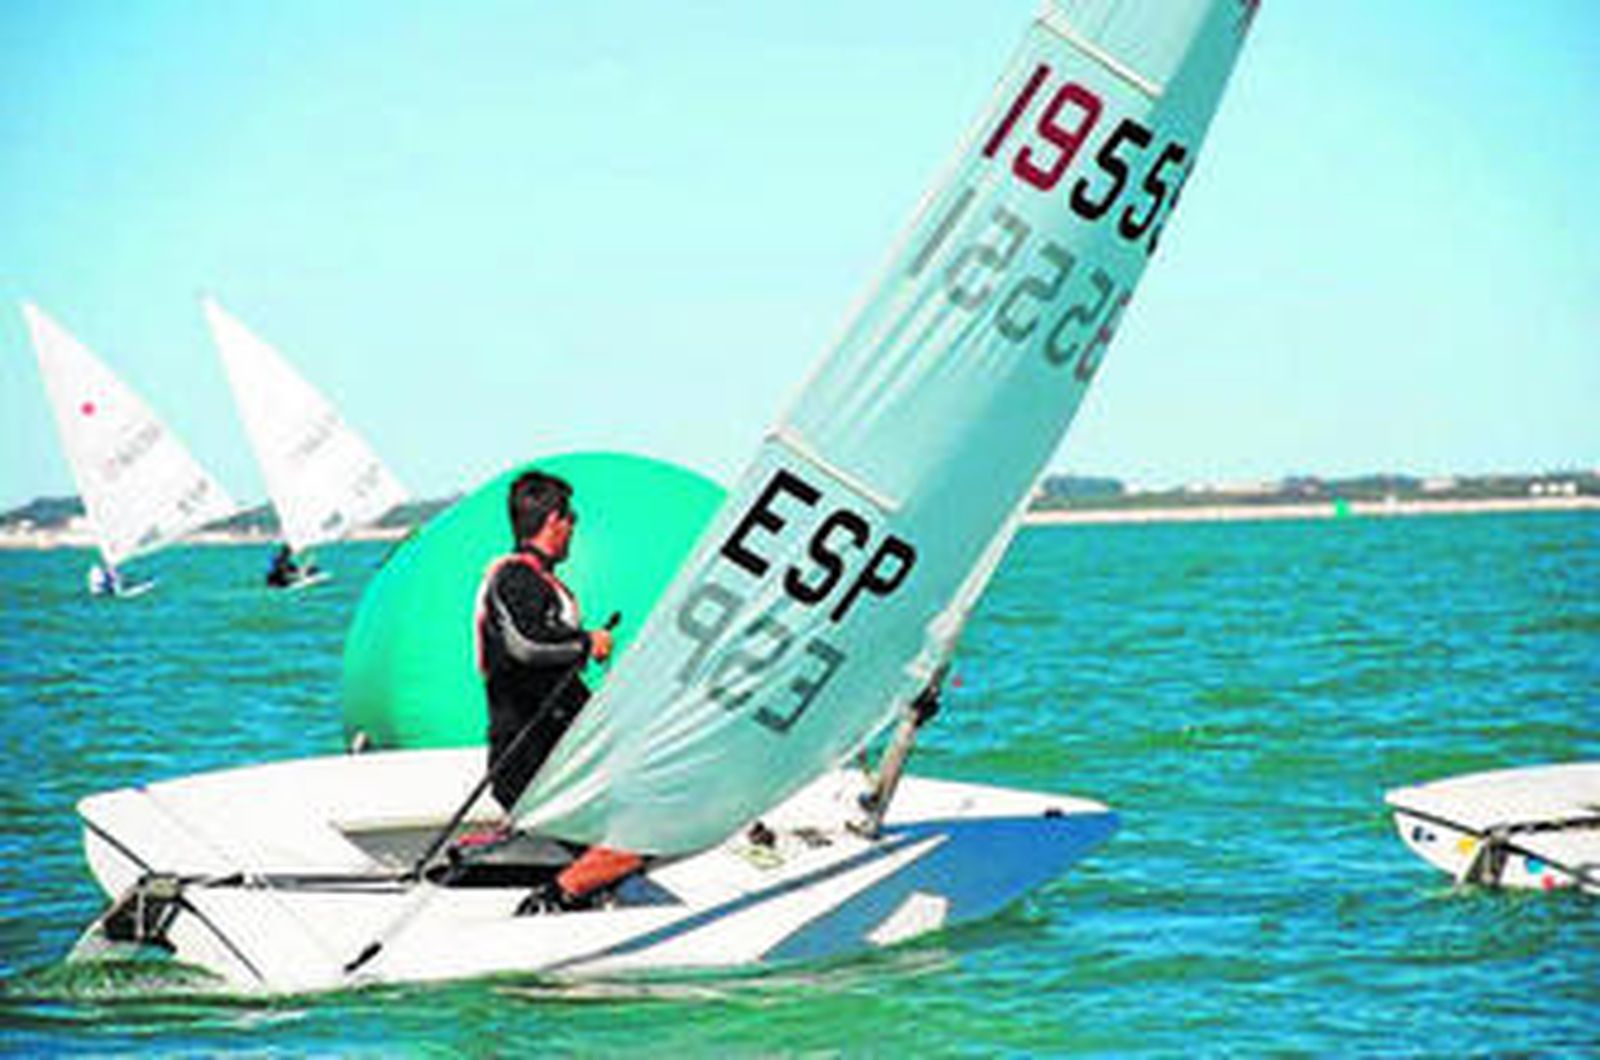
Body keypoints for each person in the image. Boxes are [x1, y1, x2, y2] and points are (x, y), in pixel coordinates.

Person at [474, 469, 640, 911]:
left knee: (635, 827)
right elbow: (525, 647)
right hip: (531, 764)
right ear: (555, 520)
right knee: (637, 833)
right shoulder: (513, 578)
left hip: (560, 760)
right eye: (572, 519)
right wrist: (586, 642)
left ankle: (584, 896)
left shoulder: (543, 584)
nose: (573, 530)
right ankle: (549, 904)